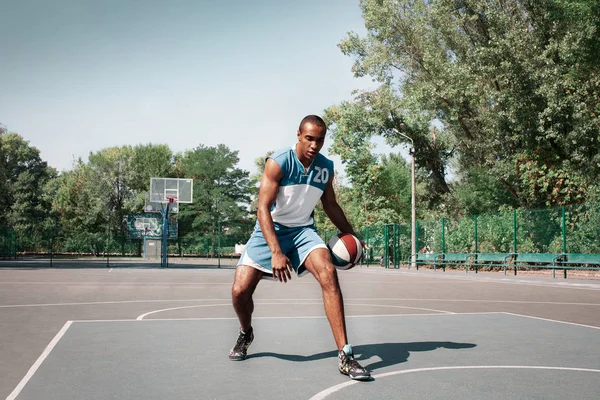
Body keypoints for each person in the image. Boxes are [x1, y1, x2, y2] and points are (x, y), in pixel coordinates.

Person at [229, 115, 371, 381]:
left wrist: (353, 234)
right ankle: (246, 332)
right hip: (269, 230)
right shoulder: (279, 162)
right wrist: (275, 251)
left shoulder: (325, 167)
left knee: (329, 273)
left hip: (303, 231)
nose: (314, 145)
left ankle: (346, 355)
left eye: (320, 140)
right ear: (298, 135)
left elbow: (330, 205)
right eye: (309, 138)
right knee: (239, 292)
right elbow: (262, 208)